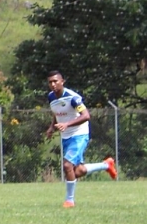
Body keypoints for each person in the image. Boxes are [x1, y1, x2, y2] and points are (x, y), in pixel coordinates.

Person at [45, 71, 117, 208]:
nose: (53, 84)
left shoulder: (73, 98)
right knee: (78, 171)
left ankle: (69, 200)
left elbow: (86, 116)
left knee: (67, 166)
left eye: (55, 81)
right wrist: (51, 127)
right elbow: (56, 113)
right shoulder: (51, 97)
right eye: (50, 82)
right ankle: (107, 165)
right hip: (66, 137)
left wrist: (66, 124)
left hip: (79, 135)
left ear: (62, 82)